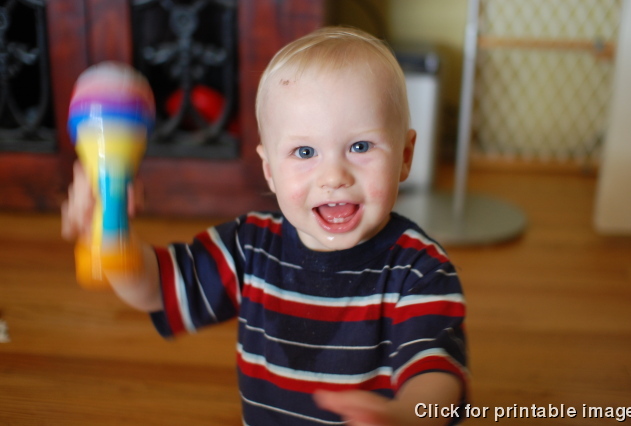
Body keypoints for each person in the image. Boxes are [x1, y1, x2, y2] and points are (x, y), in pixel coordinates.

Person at [62, 26, 468, 426]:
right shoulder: (249, 246)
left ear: (405, 156)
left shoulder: (419, 270)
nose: (334, 176)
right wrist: (112, 236)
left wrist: (404, 417)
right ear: (270, 170)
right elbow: (157, 288)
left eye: (360, 146)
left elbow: (436, 373)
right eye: (304, 152)